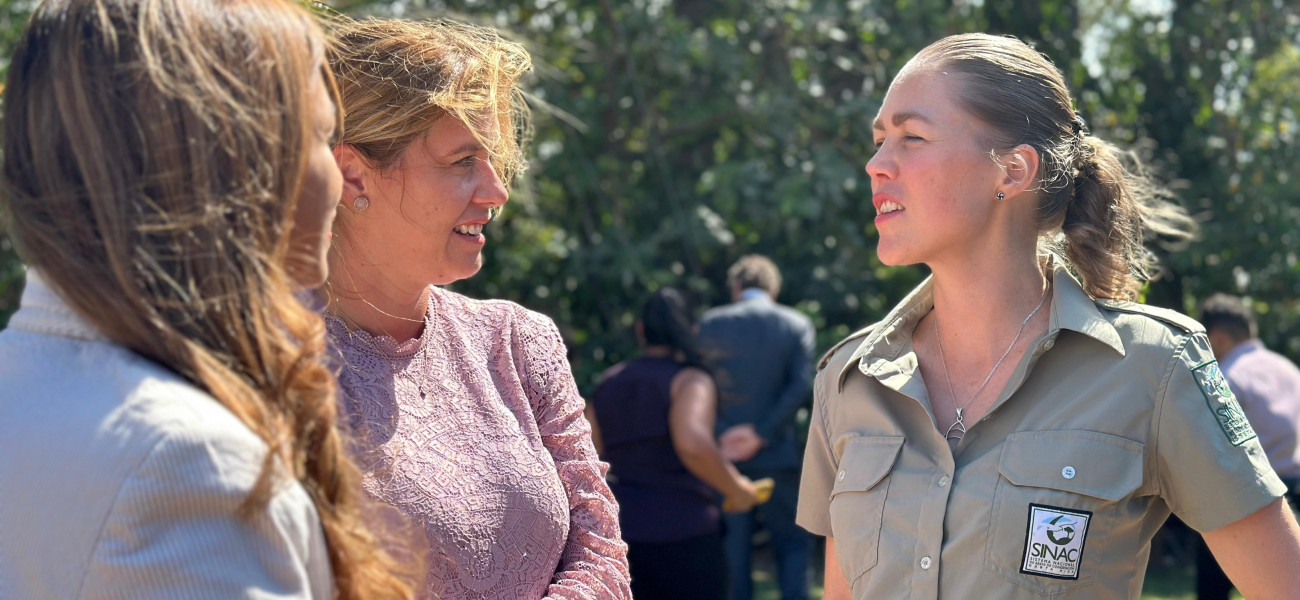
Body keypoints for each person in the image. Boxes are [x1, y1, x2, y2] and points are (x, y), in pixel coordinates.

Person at [796, 33, 1300, 600]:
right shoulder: (848, 380)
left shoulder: (1154, 368)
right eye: (879, 140)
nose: (876, 165)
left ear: (1012, 172)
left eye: (911, 137)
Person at [0, 0, 415, 598]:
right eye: (323, 136)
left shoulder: (29, 382)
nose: (344, 176)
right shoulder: (187, 467)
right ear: (233, 164)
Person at [322, 17, 630, 599]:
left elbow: (602, 555)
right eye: (463, 160)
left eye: (492, 158)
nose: (496, 190)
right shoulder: (267, 363)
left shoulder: (517, 342)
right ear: (352, 172)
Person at [589, 287, 762, 600]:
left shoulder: (608, 382)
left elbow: (596, 455)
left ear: (641, 330)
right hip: (685, 534)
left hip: (621, 534)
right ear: (690, 331)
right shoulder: (690, 381)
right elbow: (692, 446)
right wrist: (737, 489)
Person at [698, 255, 816, 600]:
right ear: (773, 288)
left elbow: (696, 385)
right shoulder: (795, 324)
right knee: (792, 545)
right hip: (778, 455)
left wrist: (723, 433)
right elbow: (800, 386)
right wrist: (761, 433)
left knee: (732, 554)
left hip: (723, 457)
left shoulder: (708, 324)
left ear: (736, 287)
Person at [1193, 292, 1300, 600]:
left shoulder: (1226, 377)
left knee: (1213, 588)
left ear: (1218, 337)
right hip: (1296, 484)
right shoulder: (1289, 370)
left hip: (1251, 498)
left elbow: (1213, 448)